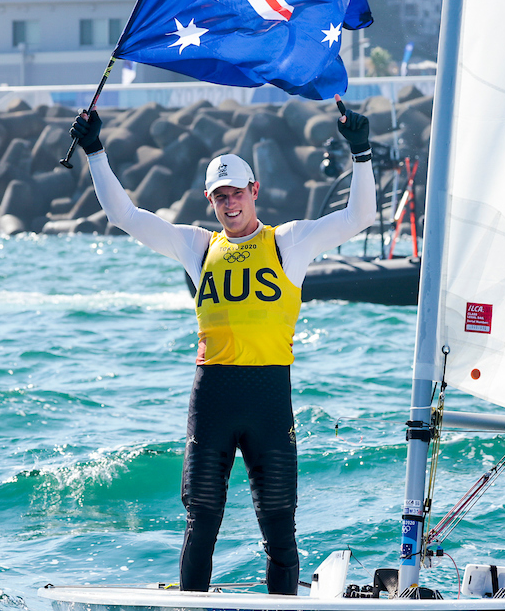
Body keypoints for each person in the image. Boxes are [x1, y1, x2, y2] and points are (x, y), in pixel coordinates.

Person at [71, 96, 376, 595]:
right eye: (219, 197)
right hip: (212, 398)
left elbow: (359, 216)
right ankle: (193, 606)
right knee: (203, 519)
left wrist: (360, 153)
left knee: (280, 527)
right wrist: (95, 151)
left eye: (236, 193)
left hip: (269, 401)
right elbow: (124, 215)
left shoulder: (289, 243)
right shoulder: (197, 246)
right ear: (210, 201)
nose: (229, 204)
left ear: (254, 191)